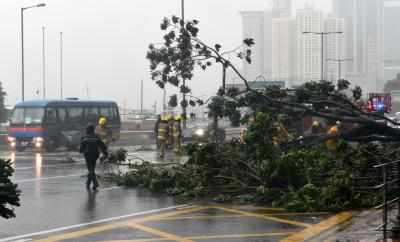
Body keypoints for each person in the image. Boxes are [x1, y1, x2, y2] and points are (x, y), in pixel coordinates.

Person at [80, 124, 108, 191]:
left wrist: (81, 151)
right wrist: (105, 154)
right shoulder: (97, 137)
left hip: (87, 155)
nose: (86, 130)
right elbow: (103, 146)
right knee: (92, 169)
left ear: (88, 130)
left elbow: (81, 148)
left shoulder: (84, 137)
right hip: (95, 155)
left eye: (86, 129)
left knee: (90, 170)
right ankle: (88, 184)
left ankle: (95, 183)